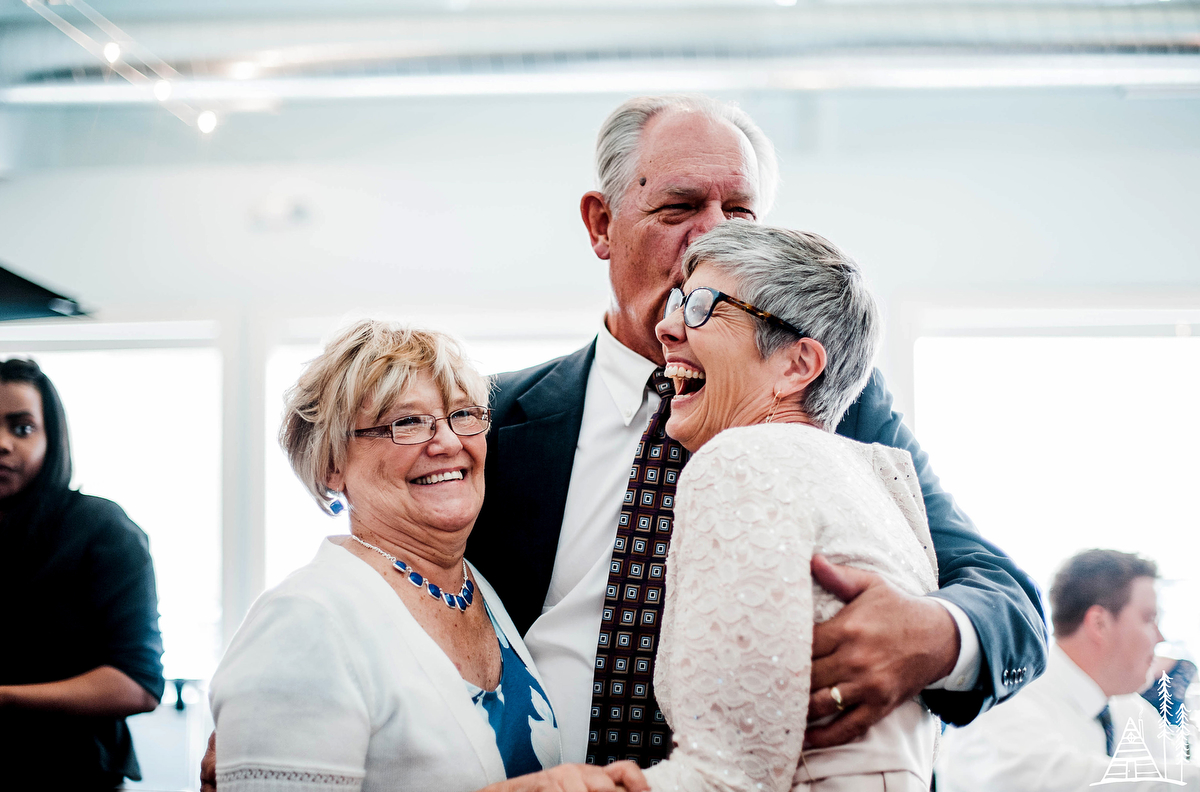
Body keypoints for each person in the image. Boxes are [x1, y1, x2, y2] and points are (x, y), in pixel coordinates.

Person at [467, 94, 1047, 766]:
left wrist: (936, 635)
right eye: (678, 208)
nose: (712, 237)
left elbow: (1009, 602)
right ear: (601, 223)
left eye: (739, 213)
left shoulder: (832, 400)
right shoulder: (493, 417)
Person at [208, 321, 647, 792]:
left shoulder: (477, 590)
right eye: (407, 422)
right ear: (331, 463)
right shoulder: (304, 620)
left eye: (462, 415)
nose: (449, 443)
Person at [632, 221, 940, 791]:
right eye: (678, 301)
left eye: (702, 306)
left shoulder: (740, 461)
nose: (666, 326)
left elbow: (731, 778)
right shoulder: (877, 481)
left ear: (797, 365)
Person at [0, 357, 164, 790]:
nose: (2, 443)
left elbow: (138, 684)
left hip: (72, 775)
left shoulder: (102, 530)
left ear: (52, 438)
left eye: (21, 428)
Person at [936, 549, 1200, 791]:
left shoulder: (1136, 714)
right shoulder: (1006, 697)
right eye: (1149, 619)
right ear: (1099, 624)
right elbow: (1047, 782)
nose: (1161, 637)